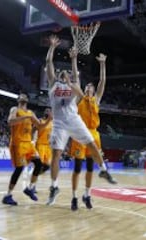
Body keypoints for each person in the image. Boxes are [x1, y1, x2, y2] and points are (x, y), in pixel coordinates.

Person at [45, 35, 117, 206]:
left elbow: (81, 89)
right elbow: (49, 63)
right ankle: (55, 187)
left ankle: (104, 171)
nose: (64, 74)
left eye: (67, 73)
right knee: (56, 154)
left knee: (92, 145)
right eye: (62, 73)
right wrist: (52, 47)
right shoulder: (53, 84)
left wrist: (74, 60)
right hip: (60, 124)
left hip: (75, 121)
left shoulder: (75, 89)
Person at [70, 53, 107, 211]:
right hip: (80, 133)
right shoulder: (80, 97)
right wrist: (73, 60)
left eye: (91, 86)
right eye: (87, 86)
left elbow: (102, 81)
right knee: (77, 168)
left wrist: (102, 64)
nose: (89, 87)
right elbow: (75, 80)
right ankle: (74, 197)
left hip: (93, 134)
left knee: (90, 168)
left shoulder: (96, 99)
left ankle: (87, 194)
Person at [2, 93, 52, 205]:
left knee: (39, 164)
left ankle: (30, 188)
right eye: (21, 96)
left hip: (28, 143)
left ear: (28, 100)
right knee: (19, 169)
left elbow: (40, 127)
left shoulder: (30, 113)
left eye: (25, 96)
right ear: (18, 99)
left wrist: (49, 120)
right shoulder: (15, 109)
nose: (24, 97)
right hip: (17, 143)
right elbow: (10, 122)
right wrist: (25, 117)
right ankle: (8, 195)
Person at [34, 107, 53, 174]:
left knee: (48, 164)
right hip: (40, 144)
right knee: (39, 163)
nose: (47, 112)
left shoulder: (52, 122)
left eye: (49, 111)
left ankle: (38, 173)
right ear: (44, 112)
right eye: (46, 111)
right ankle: (35, 175)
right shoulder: (40, 120)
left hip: (48, 145)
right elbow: (34, 129)